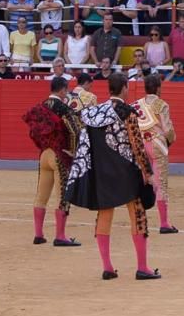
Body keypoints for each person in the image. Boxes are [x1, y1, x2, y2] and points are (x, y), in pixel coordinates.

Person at [65, 73, 161, 280]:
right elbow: (136, 145)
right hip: (127, 172)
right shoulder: (127, 112)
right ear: (125, 88)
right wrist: (148, 173)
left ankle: (107, 267)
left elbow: (85, 143)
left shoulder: (94, 112)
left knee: (104, 215)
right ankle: (142, 267)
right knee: (138, 215)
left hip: (102, 173)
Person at [22, 77, 84, 247]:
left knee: (41, 195)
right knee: (62, 197)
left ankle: (39, 234)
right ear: (63, 90)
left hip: (44, 155)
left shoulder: (40, 107)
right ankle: (60, 235)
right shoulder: (63, 108)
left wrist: (42, 145)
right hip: (59, 156)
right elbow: (75, 130)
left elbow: (33, 131)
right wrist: (72, 150)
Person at [132, 74, 178, 234]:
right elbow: (168, 130)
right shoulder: (162, 105)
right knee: (160, 184)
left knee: (142, 181)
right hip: (157, 145)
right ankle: (164, 223)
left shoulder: (136, 105)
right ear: (158, 88)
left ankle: (138, 218)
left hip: (140, 147)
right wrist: (170, 140)